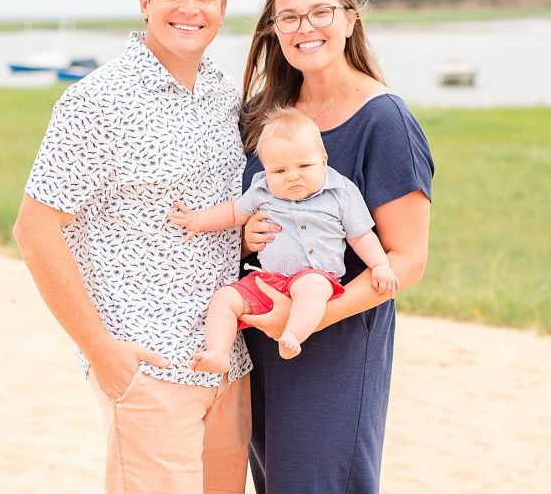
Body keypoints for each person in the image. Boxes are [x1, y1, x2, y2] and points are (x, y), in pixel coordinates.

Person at [12, 0, 251, 494]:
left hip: (224, 360)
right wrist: (103, 354)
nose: (188, 8)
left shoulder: (227, 99)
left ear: (223, 8)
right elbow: (36, 231)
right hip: (147, 362)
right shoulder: (96, 102)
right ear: (144, 0)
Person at [236, 0, 434, 494]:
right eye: (289, 17)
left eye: (320, 12)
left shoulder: (384, 120)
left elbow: (408, 259)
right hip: (265, 346)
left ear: (350, 19)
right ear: (273, 30)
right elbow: (254, 207)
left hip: (337, 346)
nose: (305, 27)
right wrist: (248, 233)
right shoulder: (266, 117)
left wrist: (305, 321)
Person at [168, 106, 399, 363]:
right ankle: (217, 352)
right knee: (225, 297)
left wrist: (379, 265)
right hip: (269, 280)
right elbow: (234, 213)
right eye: (279, 171)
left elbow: (361, 236)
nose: (292, 177)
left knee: (310, 289)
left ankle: (293, 334)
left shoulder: (340, 192)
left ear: (323, 159)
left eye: (304, 165)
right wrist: (199, 220)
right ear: (266, 170)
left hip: (318, 276)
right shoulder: (262, 191)